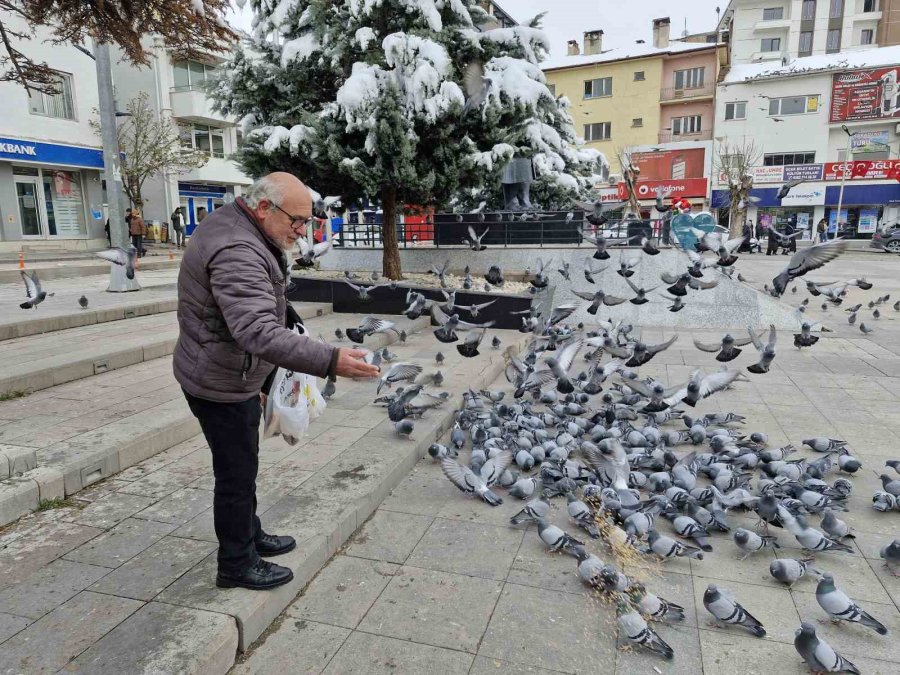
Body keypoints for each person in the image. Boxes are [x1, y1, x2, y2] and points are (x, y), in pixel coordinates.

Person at [173, 172, 380, 591]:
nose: (302, 231)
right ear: (264, 207)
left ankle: (250, 534)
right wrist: (331, 359)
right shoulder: (236, 248)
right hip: (219, 381)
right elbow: (256, 331)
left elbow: (259, 306)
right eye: (298, 221)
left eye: (307, 223)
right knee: (235, 474)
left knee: (243, 465)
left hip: (227, 369)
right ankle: (236, 563)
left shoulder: (239, 223)